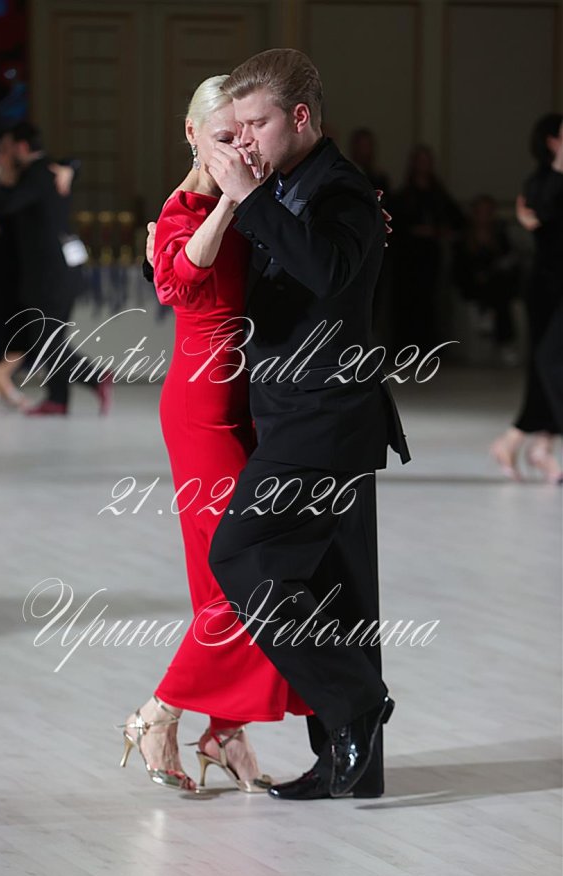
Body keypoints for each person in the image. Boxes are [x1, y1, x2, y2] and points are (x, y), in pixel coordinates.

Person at [198, 48, 410, 801]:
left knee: (242, 556)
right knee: (339, 593)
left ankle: (357, 702)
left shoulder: (342, 190)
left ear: (299, 117)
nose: (247, 140)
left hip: (323, 417)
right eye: (237, 128)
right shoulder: (290, 186)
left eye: (257, 124)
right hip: (307, 416)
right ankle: (354, 765)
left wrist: (251, 197)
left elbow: (325, 271)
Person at [121, 76, 312, 794]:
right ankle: (159, 712)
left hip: (247, 400)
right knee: (246, 574)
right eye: (224, 136)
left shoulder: (253, 199)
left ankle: (225, 731)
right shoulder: (186, 208)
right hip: (201, 410)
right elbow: (175, 282)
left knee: (223, 580)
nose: (240, 148)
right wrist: (232, 199)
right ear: (192, 134)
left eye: (245, 135)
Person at [0, 122, 110, 416]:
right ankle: (58, 399)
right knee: (48, 338)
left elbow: (6, 204)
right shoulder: (50, 171)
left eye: (8, 148)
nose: (4, 154)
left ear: (21, 147)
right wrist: (71, 168)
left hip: (50, 274)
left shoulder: (37, 174)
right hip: (55, 271)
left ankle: (95, 377)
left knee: (46, 340)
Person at [490, 114, 563, 483]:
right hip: (548, 288)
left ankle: (528, 443)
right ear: (552, 140)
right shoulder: (540, 182)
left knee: (547, 365)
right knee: (548, 363)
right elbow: (543, 216)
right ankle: (531, 444)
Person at [390, 144, 464, 352]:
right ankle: (405, 347)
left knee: (429, 300)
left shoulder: (438, 194)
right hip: (407, 256)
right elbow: (396, 225)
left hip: (430, 255)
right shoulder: (404, 196)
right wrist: (415, 231)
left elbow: (457, 219)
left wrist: (439, 231)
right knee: (407, 300)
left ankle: (427, 347)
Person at [452, 194, 520, 362]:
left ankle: (489, 318)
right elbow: (459, 267)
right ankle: (497, 331)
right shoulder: (464, 235)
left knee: (500, 291)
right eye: (480, 212)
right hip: (472, 284)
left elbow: (508, 259)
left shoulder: (499, 234)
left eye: (488, 212)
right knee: (496, 291)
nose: (484, 216)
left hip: (495, 283)